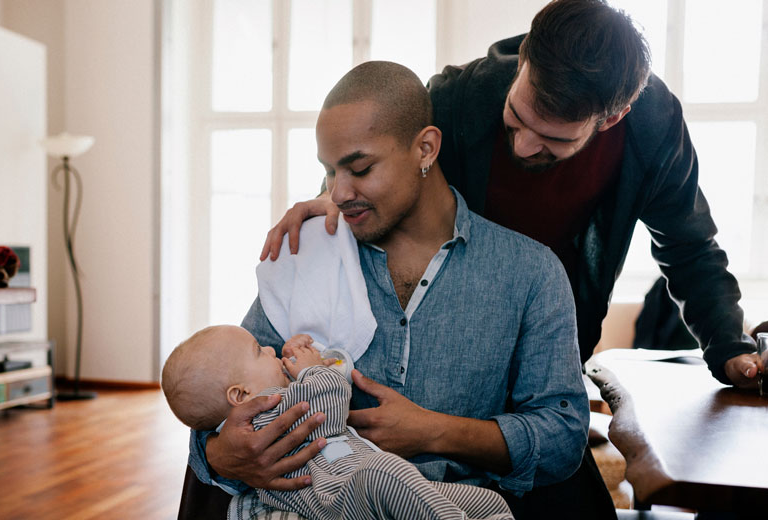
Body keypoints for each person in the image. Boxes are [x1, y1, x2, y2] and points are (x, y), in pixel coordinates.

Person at [262, 0, 759, 389]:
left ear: (612, 118)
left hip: (553, 339)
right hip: (451, 342)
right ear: (522, 61)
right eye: (517, 117)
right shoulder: (457, 99)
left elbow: (690, 247)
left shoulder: (653, 129)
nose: (524, 144)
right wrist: (335, 194)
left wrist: (729, 348)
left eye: (553, 139)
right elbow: (380, 155)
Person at [191, 60, 591, 520]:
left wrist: (433, 432)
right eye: (328, 172)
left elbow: (562, 438)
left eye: (359, 168)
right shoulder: (308, 255)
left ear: (425, 148)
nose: (338, 193)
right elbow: (216, 393)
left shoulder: (531, 273)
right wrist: (222, 456)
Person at [164, 326, 514, 520]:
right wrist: (312, 368)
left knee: (487, 503)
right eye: (259, 351)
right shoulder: (266, 414)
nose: (271, 351)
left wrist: (320, 364)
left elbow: (331, 376)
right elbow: (329, 402)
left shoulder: (266, 407)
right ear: (239, 396)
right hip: (337, 492)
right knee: (387, 473)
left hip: (352, 488)